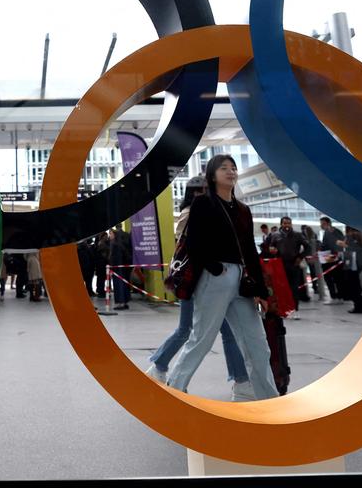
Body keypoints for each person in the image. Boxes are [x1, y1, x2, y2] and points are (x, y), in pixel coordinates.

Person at [166, 155, 279, 398]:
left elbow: (250, 250)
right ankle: (174, 390)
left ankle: (268, 399)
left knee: (257, 344)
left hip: (240, 281)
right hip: (213, 279)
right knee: (201, 340)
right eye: (224, 168)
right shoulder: (203, 204)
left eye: (233, 168)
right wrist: (213, 267)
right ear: (213, 175)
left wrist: (260, 290)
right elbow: (194, 242)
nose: (231, 172)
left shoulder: (242, 210)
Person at [147, 176, 253, 399]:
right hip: (197, 280)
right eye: (201, 191)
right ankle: (163, 370)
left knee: (219, 331)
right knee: (192, 329)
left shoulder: (205, 211)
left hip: (208, 282)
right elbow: (195, 247)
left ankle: (161, 369)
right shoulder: (192, 214)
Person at [261, 216, 311, 304]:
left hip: (294, 264)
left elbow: (308, 247)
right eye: (285, 223)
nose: (287, 225)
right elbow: (265, 246)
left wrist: (300, 257)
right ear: (281, 224)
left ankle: (294, 307)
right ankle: (284, 306)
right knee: (281, 287)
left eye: (289, 223)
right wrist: (271, 250)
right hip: (279, 264)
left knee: (294, 287)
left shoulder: (297, 235)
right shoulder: (274, 235)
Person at [338, 227, 362, 313]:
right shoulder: (358, 236)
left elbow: (355, 249)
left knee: (354, 287)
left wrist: (344, 245)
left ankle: (359, 307)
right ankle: (359, 306)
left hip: (352, 266)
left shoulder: (353, 236)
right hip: (354, 265)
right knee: (356, 287)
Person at [318, 217, 345, 305]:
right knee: (335, 279)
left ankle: (336, 297)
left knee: (332, 278)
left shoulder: (332, 232)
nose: (321, 225)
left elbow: (335, 244)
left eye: (323, 223)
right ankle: (338, 296)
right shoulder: (329, 232)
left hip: (332, 259)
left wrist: (323, 250)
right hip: (330, 258)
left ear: (328, 223)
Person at [108, 226, 133, 309]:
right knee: (125, 284)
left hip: (117, 268)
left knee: (119, 285)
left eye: (110, 234)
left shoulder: (115, 244)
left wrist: (112, 265)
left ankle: (120, 303)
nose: (110, 236)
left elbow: (114, 257)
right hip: (124, 267)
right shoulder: (121, 244)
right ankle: (125, 302)